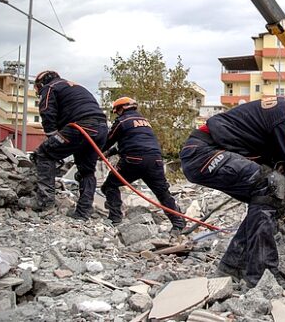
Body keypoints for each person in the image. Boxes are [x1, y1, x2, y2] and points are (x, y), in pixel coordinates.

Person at [180, 86, 285, 286]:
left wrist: (281, 210)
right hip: (202, 153)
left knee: (266, 196)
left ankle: (231, 268)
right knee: (270, 187)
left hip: (210, 152)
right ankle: (263, 277)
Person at [20, 71, 108, 220]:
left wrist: (51, 142)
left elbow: (47, 114)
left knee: (44, 153)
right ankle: (83, 212)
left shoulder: (50, 88)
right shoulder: (75, 87)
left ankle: (44, 201)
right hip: (101, 128)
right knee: (87, 171)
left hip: (81, 126)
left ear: (41, 83)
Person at [100, 97, 186, 235]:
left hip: (133, 160)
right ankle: (178, 224)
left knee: (109, 186)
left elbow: (108, 141)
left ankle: (115, 218)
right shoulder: (145, 122)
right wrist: (110, 153)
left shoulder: (122, 121)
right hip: (155, 161)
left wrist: (98, 151)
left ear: (121, 109)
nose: (117, 114)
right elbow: (134, 141)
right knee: (162, 193)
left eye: (117, 111)